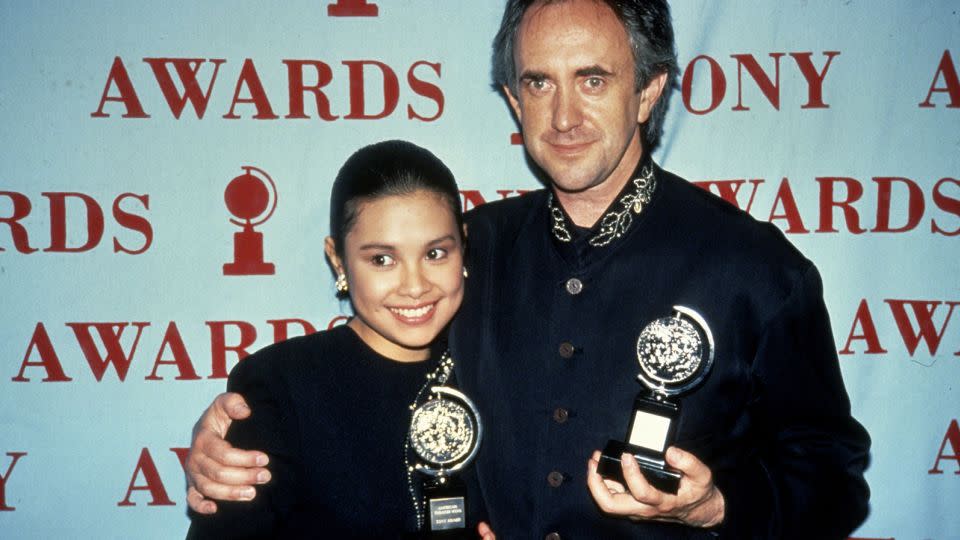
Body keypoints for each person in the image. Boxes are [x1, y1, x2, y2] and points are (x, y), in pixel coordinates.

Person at [186, 1, 871, 538]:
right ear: (514, 100)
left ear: (648, 92)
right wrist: (244, 435)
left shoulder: (756, 270)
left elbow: (835, 479)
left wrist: (718, 506)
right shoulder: (464, 253)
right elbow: (365, 387)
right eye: (538, 82)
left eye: (593, 80)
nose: (564, 115)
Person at [186, 140, 494, 538]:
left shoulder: (500, 369)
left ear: (463, 247)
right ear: (338, 259)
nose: (415, 286)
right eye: (382, 259)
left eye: (435, 253)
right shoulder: (281, 385)